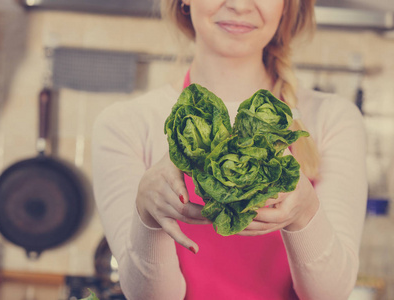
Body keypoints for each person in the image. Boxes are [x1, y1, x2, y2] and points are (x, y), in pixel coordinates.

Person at [92, 0, 367, 299]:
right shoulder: (124, 125)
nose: (238, 5)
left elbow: (331, 294)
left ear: (287, 5)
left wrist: (305, 210)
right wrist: (148, 215)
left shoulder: (333, 119)